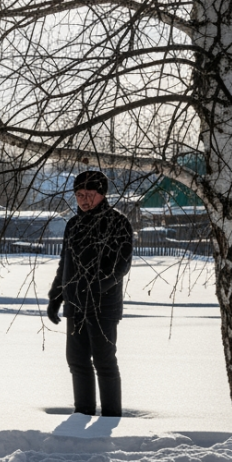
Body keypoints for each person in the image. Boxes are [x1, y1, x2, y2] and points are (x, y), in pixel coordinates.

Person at [46, 170, 133, 418]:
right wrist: (56, 297)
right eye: (79, 195)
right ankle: (82, 414)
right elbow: (65, 264)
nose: (84, 200)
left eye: (89, 194)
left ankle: (110, 416)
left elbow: (121, 265)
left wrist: (95, 288)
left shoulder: (117, 223)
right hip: (75, 306)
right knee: (77, 362)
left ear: (102, 194)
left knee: (104, 363)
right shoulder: (73, 225)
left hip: (103, 307)